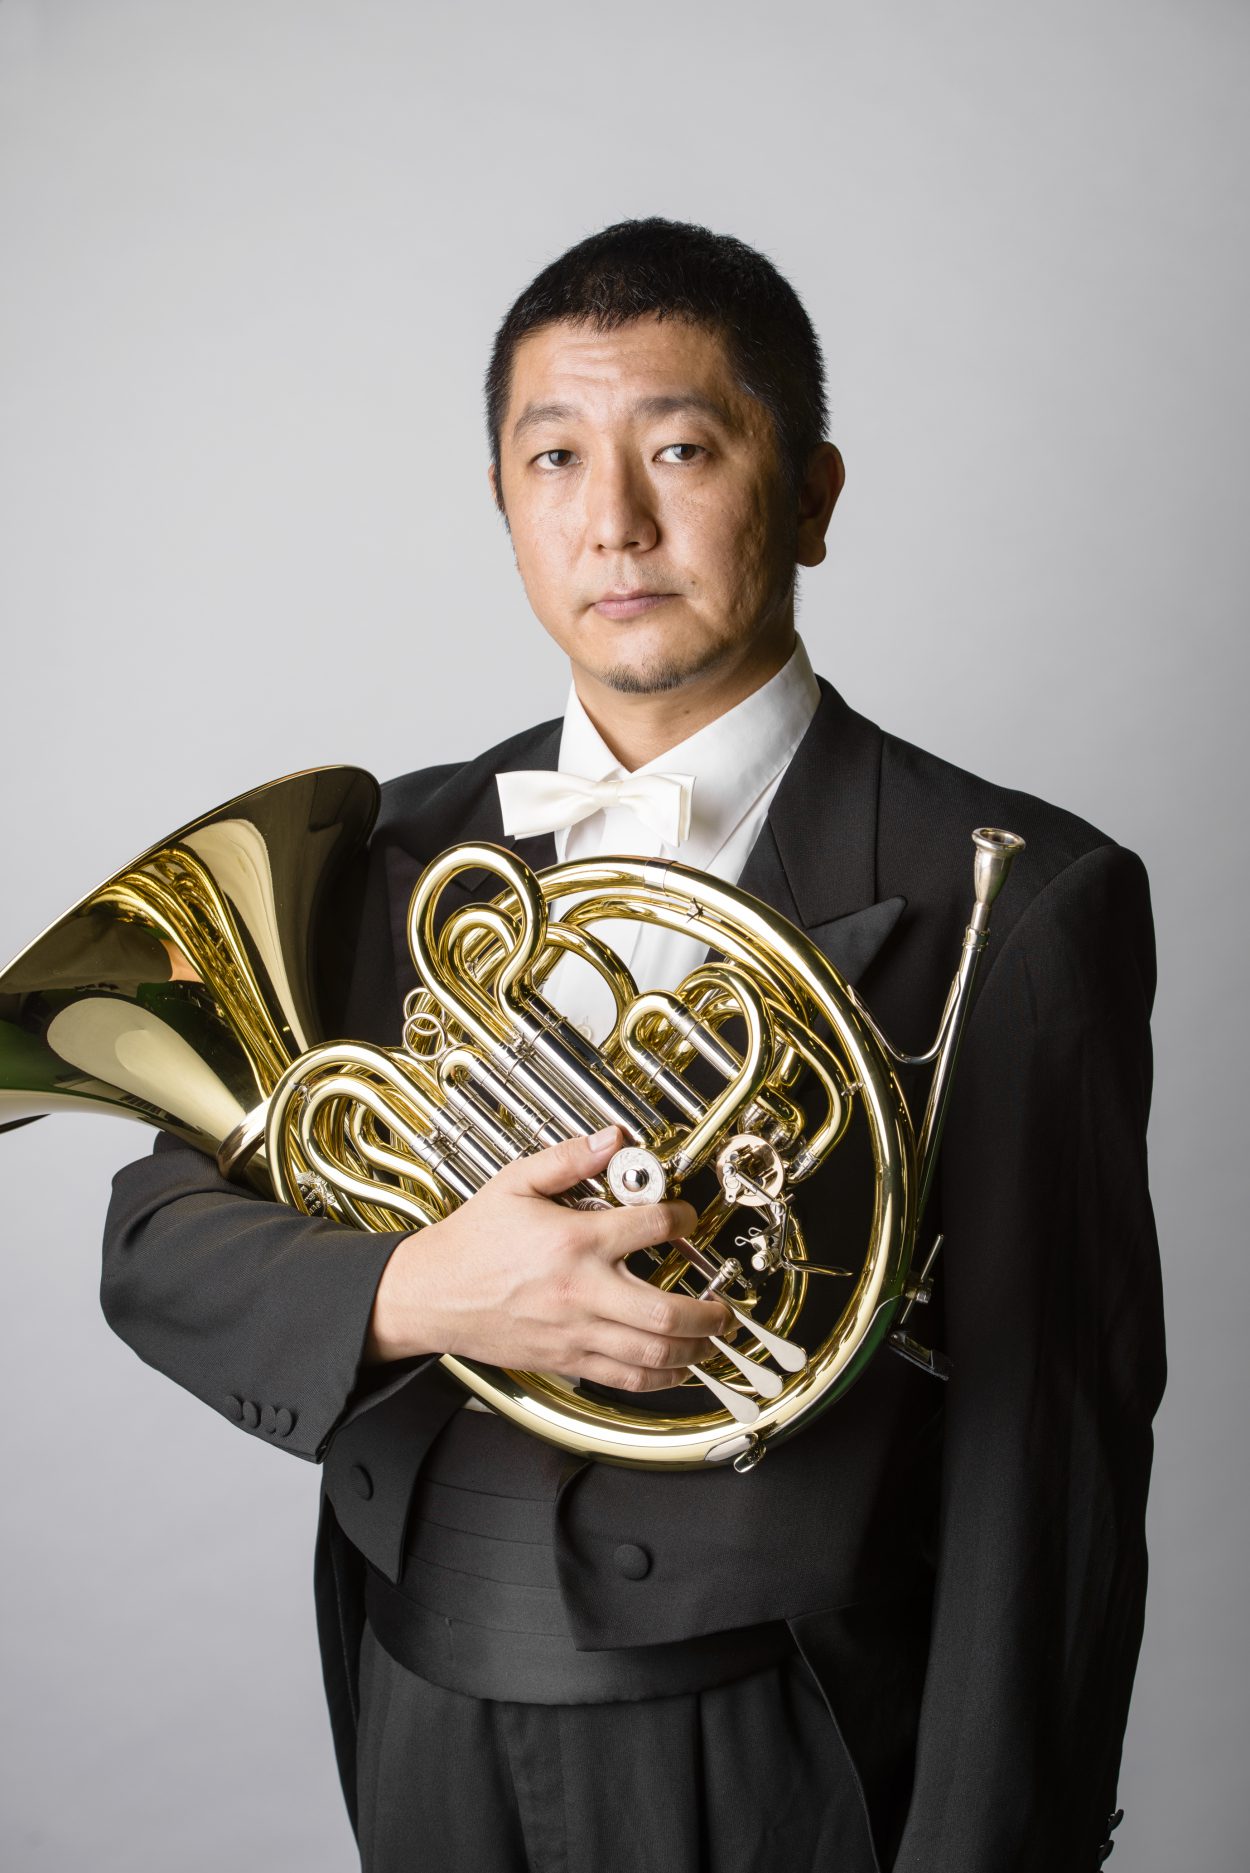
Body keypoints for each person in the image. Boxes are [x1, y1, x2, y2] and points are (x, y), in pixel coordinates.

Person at [100, 219, 1166, 1871]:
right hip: (420, 1688)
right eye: (553, 459)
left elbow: (1050, 1471)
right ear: (503, 506)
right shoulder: (387, 855)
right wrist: (423, 1289)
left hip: (775, 1723)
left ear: (808, 496)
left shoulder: (1016, 901)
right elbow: (159, 1238)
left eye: (679, 448)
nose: (612, 520)